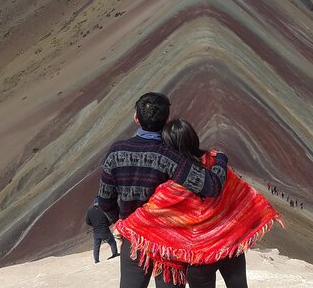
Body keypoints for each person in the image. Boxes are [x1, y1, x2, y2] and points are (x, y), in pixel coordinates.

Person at [116, 118, 281, 288]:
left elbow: (146, 218)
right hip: (229, 247)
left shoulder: (172, 187)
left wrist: (125, 224)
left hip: (200, 263)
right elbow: (243, 197)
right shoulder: (217, 167)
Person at [98, 93, 229, 288]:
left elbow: (104, 199)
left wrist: (119, 220)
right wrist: (220, 160)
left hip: (133, 238)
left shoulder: (116, 151)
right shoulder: (172, 155)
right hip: (169, 243)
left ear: (136, 118)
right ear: (167, 120)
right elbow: (212, 187)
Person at [85, 197, 119, 263]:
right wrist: (107, 224)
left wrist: (94, 225)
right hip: (104, 230)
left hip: (96, 231)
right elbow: (109, 219)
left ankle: (96, 260)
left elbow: (87, 222)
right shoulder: (103, 210)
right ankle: (114, 254)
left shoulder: (90, 211)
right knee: (112, 242)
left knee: (96, 246)